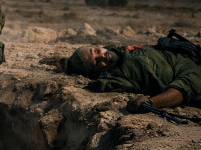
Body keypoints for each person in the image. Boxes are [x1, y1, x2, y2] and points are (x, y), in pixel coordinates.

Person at [42, 45, 201, 112]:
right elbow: (184, 88)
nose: (102, 56)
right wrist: (151, 103)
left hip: (187, 58)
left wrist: (67, 63)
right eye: (96, 63)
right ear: (95, 72)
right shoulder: (116, 76)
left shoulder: (116, 52)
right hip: (189, 72)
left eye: (96, 50)